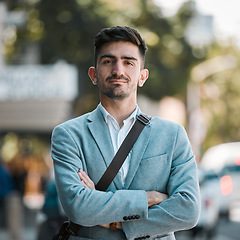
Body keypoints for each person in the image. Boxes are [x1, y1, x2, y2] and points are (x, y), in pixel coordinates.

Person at [51, 26, 200, 240]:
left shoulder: (173, 135)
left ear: (142, 76)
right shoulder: (68, 135)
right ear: (94, 74)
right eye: (108, 61)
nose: (118, 70)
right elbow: (78, 207)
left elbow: (188, 210)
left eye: (129, 62)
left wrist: (115, 222)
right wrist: (148, 198)